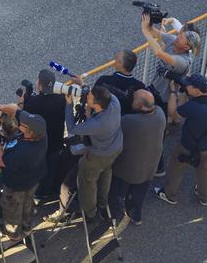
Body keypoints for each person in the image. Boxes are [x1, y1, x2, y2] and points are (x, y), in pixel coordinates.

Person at [155, 74, 207, 206]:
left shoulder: (194, 107)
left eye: (188, 86)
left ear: (196, 90)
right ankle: (204, 196)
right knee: (204, 169)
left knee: (176, 168)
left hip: (189, 146)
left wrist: (173, 91)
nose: (186, 86)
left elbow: (173, 113)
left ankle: (169, 194)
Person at [108, 90, 165, 225]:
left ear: (139, 104)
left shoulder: (129, 121)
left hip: (128, 168)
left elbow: (113, 128)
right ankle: (135, 215)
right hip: (150, 165)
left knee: (115, 193)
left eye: (132, 98)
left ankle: (113, 217)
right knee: (139, 193)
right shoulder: (160, 113)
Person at [66, 86, 123, 221]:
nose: (86, 98)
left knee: (87, 182)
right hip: (115, 148)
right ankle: (102, 202)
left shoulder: (98, 123)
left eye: (89, 98)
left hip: (98, 156)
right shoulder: (114, 102)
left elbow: (72, 128)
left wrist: (69, 105)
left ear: (96, 105)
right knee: (106, 172)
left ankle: (90, 213)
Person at [0, 111, 48, 236]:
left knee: (12, 211)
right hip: (33, 180)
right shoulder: (42, 135)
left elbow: (2, 162)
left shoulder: (22, 152)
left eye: (23, 126)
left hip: (16, 187)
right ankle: (26, 227)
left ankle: (13, 235)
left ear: (30, 133)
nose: (20, 126)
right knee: (27, 205)